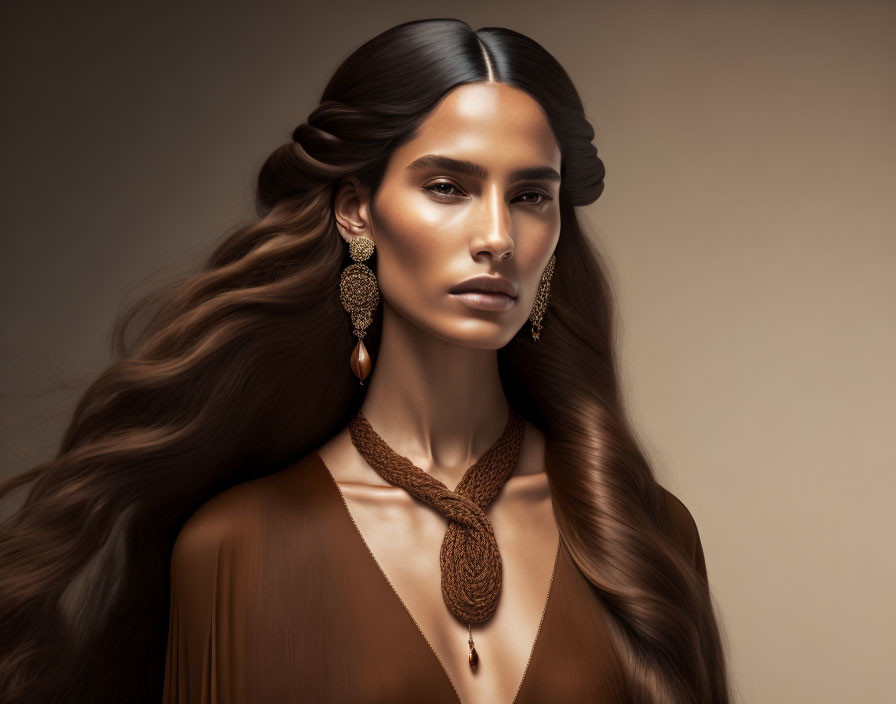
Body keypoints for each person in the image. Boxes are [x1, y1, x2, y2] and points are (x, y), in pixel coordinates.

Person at [0, 18, 732, 704]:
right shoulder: (235, 550)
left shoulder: (647, 535)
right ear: (357, 209)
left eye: (532, 195)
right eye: (449, 187)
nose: (498, 235)